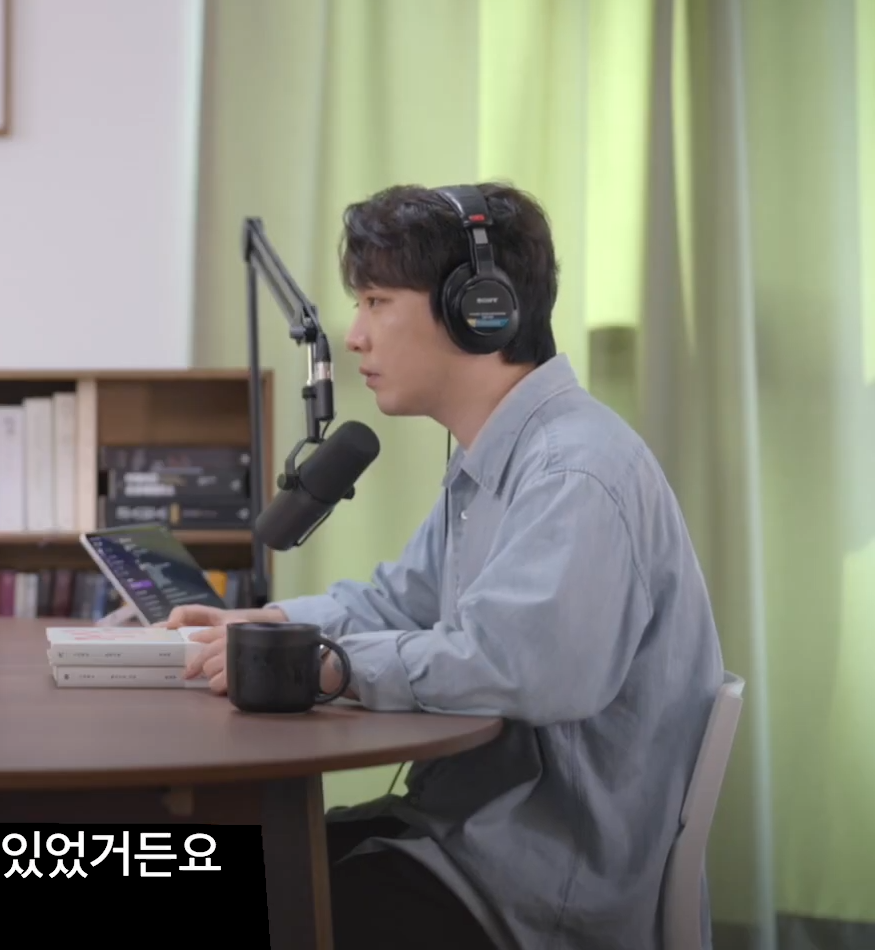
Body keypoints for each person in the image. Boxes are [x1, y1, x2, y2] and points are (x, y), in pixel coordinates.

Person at [165, 183, 725, 950]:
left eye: (376, 302)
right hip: (460, 840)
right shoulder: (496, 458)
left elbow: (520, 666)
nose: (354, 336)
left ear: (479, 310)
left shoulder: (575, 472)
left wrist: (321, 664)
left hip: (529, 894)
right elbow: (399, 600)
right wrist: (269, 624)